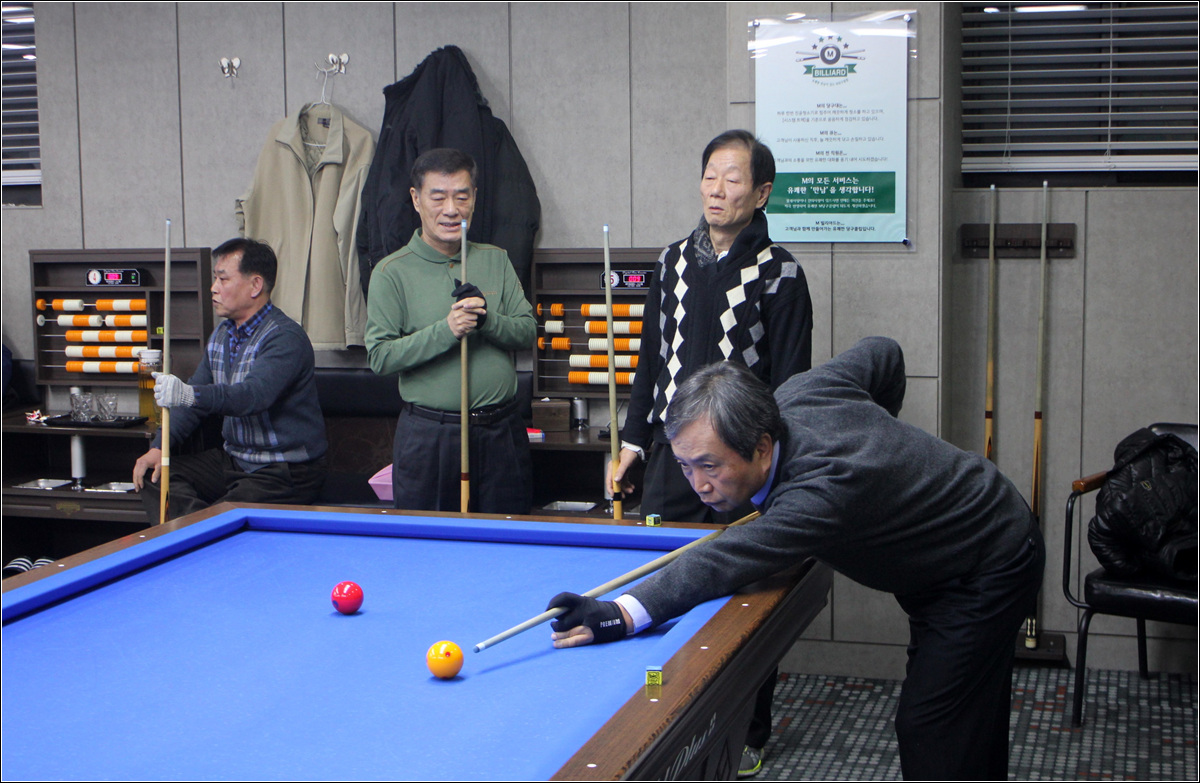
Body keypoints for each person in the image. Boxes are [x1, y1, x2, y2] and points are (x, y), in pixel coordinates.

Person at [549, 338, 1045, 781]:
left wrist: (620, 612)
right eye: (685, 465)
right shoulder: (800, 393)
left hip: (986, 560)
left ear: (763, 448)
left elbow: (721, 560)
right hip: (944, 552)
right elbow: (885, 352)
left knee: (932, 728)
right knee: (968, 716)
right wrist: (881, 435)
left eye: (710, 466)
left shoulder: (821, 493)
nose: (698, 485)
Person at [606, 129, 814, 776]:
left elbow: (793, 385)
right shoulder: (670, 261)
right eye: (710, 176)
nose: (718, 190)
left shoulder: (781, 273)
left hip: (741, 469)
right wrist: (632, 443)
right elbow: (649, 361)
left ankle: (749, 729)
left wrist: (773, 471)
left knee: (744, 598)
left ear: (762, 193)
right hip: (672, 461)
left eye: (734, 179)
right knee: (664, 580)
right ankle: (656, 718)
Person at [365, 148, 535, 514]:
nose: (451, 209)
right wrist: (447, 330)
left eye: (461, 196)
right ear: (416, 199)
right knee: (430, 543)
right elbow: (380, 356)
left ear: (474, 198)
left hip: (501, 432)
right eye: (438, 197)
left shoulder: (495, 259)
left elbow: (526, 333)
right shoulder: (391, 272)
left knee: (509, 538)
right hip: (430, 437)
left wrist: (487, 320)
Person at [133, 238, 328, 519]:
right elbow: (192, 403)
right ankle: (205, 531)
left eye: (223, 279)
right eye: (215, 278)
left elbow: (253, 396)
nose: (214, 288)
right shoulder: (222, 334)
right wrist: (159, 447)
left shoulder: (285, 337)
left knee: (222, 516)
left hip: (285, 469)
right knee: (155, 476)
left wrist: (189, 394)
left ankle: (205, 530)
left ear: (255, 285)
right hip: (235, 460)